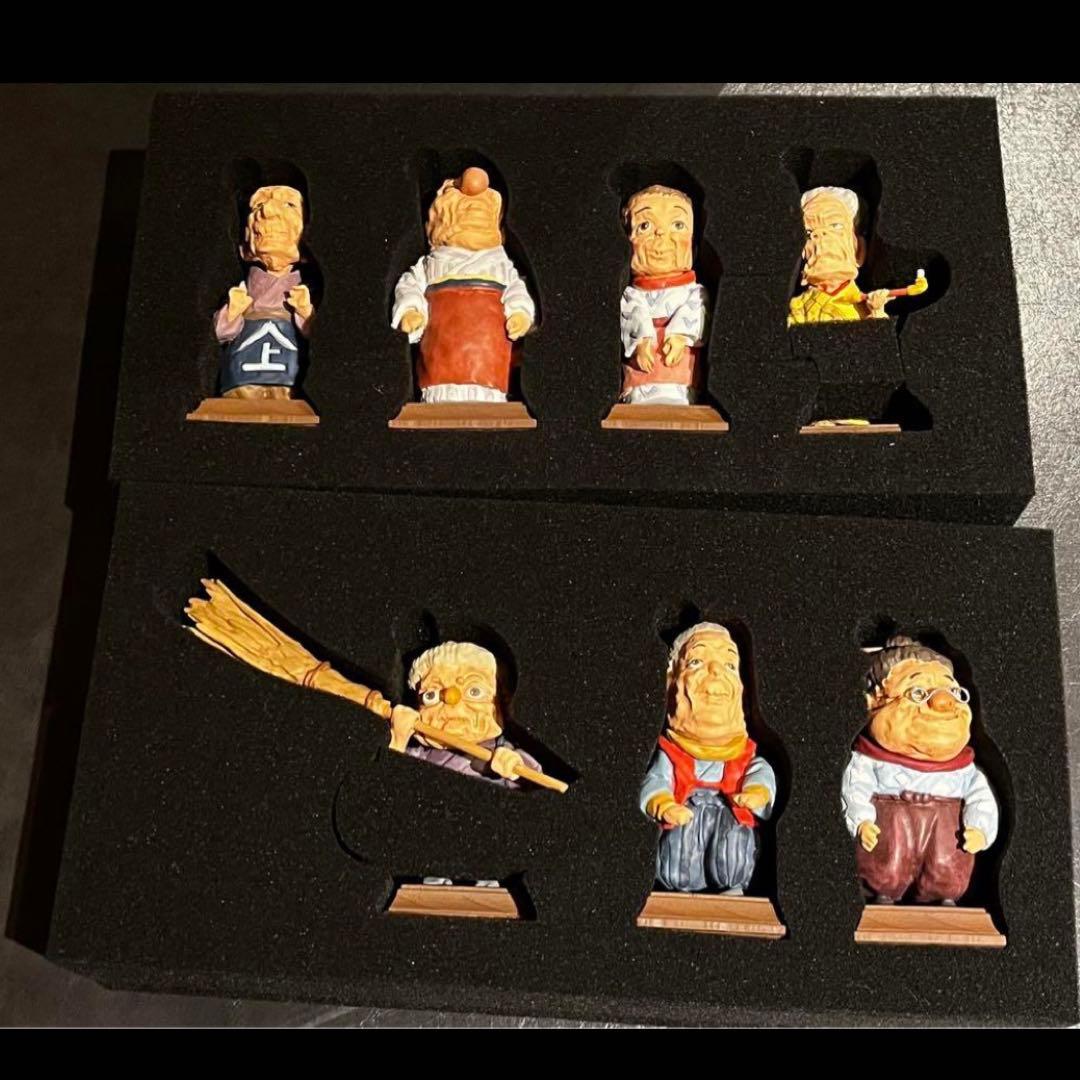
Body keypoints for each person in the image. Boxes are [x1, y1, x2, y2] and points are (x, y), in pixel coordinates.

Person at [842, 634, 999, 905]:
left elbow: (981, 797)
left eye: (953, 692)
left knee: (947, 868)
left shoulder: (964, 769)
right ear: (874, 702)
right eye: (917, 693)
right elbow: (855, 786)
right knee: (886, 867)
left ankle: (945, 898)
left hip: (944, 829)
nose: (943, 702)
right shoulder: (869, 759)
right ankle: (882, 895)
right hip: (893, 827)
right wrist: (862, 820)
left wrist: (980, 828)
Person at [639, 623, 776, 894]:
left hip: (729, 813)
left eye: (729, 665)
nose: (715, 674)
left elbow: (761, 772)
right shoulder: (671, 752)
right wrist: (664, 805)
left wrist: (757, 793)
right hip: (686, 815)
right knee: (679, 854)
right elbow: (656, 780)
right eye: (697, 662)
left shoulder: (744, 752)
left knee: (733, 849)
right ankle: (680, 892)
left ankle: (733, 887)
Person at [391, 168, 535, 404]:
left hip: (488, 359)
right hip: (441, 357)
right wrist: (410, 310)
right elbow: (409, 286)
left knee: (488, 400)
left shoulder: (501, 266)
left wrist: (520, 313)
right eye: (465, 211)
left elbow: (517, 291)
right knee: (441, 397)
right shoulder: (430, 265)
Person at [213, 185, 314, 401]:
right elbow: (220, 333)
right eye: (258, 205)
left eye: (288, 204)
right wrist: (233, 312)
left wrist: (306, 313)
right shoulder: (243, 291)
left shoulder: (306, 291)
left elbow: (317, 334)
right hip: (241, 376)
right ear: (245, 243)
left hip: (289, 377)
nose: (267, 211)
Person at [618, 185, 709, 406]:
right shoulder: (633, 295)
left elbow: (697, 308)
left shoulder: (693, 292)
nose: (661, 234)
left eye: (677, 225)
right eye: (645, 225)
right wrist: (641, 340)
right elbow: (631, 312)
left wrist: (680, 335)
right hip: (641, 378)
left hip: (681, 378)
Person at [787, 186, 892, 325]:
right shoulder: (799, 307)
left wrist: (877, 314)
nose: (820, 235)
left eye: (835, 226)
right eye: (809, 233)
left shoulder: (866, 306)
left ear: (859, 250)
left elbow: (876, 338)